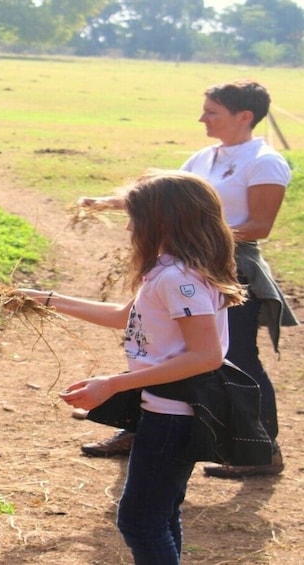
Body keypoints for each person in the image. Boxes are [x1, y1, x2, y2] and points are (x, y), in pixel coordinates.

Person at [20, 171, 271, 564]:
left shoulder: (178, 278)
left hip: (173, 416)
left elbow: (205, 355)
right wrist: (48, 299)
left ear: (162, 221)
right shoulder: (171, 269)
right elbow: (125, 315)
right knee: (159, 513)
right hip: (169, 411)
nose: (128, 225)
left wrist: (114, 384)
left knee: (139, 521)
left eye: (135, 217)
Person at [76, 80, 297, 478]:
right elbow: (169, 199)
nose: (202, 118)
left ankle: (261, 447)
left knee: (239, 359)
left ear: (244, 116)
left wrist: (197, 238)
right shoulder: (203, 157)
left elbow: (260, 226)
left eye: (212, 111)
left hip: (232, 268)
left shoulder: (265, 162)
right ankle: (139, 426)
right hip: (188, 257)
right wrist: (111, 202)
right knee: (154, 343)